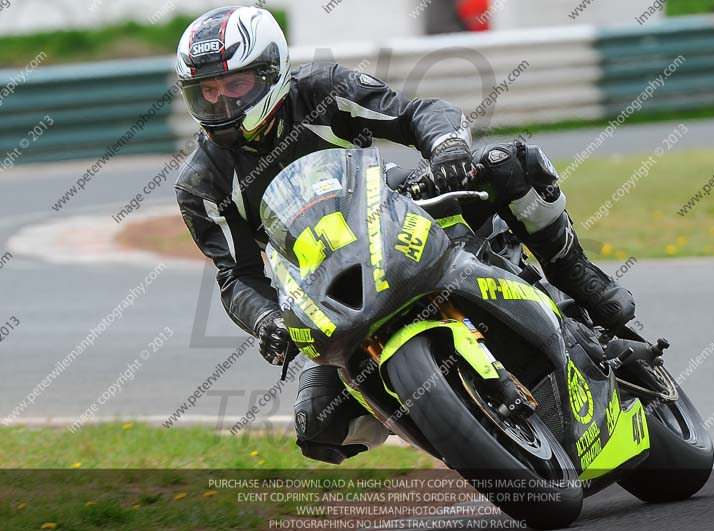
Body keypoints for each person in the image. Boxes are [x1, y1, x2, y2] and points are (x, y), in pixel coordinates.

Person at [174, 6, 635, 464]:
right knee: (319, 425)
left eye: (236, 85)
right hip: (324, 287)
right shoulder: (202, 183)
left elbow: (418, 114)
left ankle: (577, 275)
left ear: (271, 71)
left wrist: (447, 149)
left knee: (509, 164)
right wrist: (265, 320)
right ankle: (461, 435)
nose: (223, 103)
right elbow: (236, 275)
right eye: (207, 92)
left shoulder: (323, 91)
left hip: (396, 216)